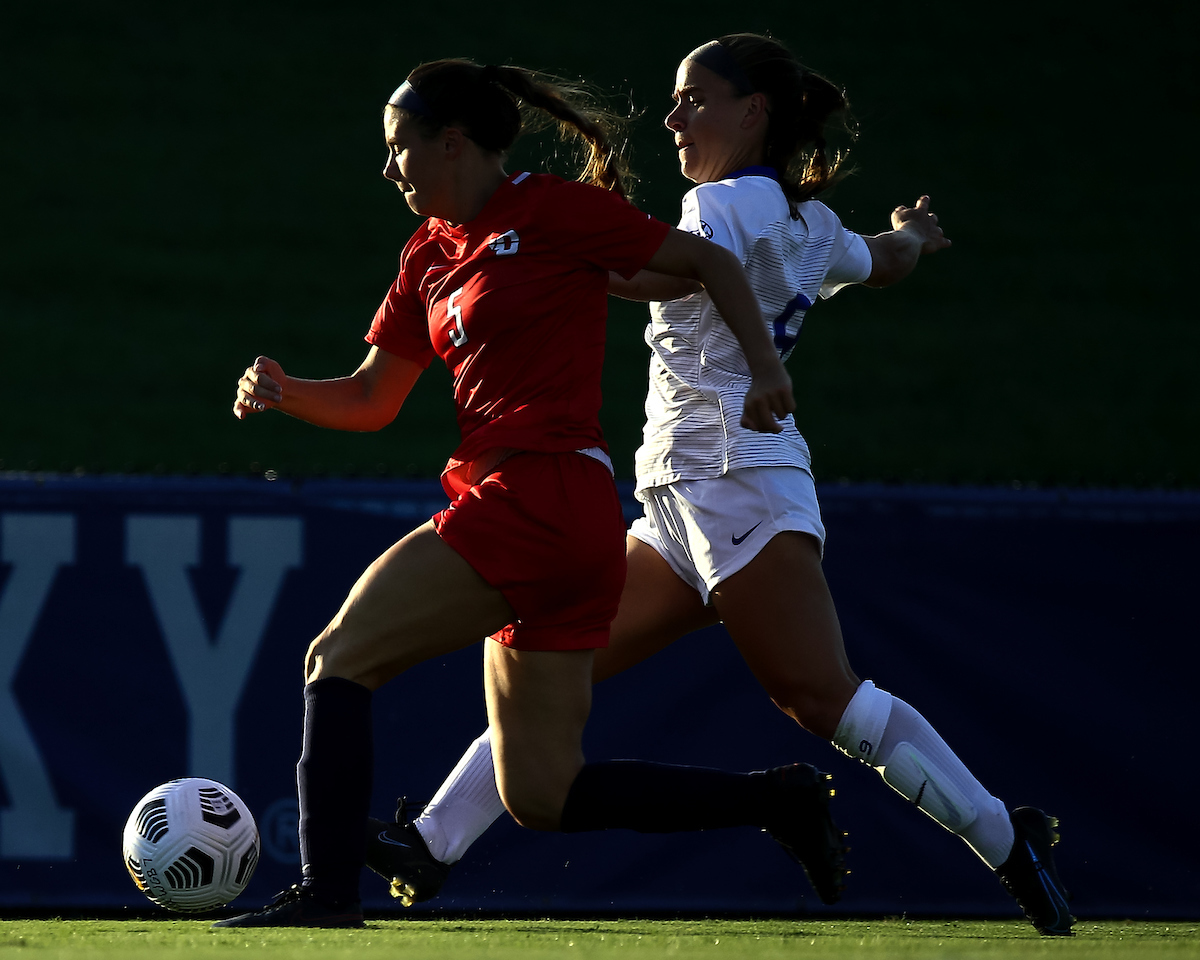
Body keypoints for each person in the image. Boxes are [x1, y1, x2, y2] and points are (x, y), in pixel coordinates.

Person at [363, 35, 1075, 937]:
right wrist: (910, 237)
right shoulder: (811, 226)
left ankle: (1008, 840)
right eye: (673, 100)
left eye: (695, 99)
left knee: (824, 699)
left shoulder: (720, 206)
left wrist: (544, 244)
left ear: (755, 113)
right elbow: (876, 260)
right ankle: (430, 844)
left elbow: (638, 270)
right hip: (674, 501)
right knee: (549, 665)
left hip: (739, 482)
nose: (674, 118)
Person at [215, 57, 852, 929]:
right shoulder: (428, 253)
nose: (390, 167)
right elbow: (373, 398)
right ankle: (777, 801)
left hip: (539, 494)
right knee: (539, 792)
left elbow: (708, 261)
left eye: (402, 147)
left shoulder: (554, 210)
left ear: (454, 144)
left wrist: (767, 365)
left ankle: (323, 895)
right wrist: (288, 392)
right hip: (558, 520)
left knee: (338, 657)